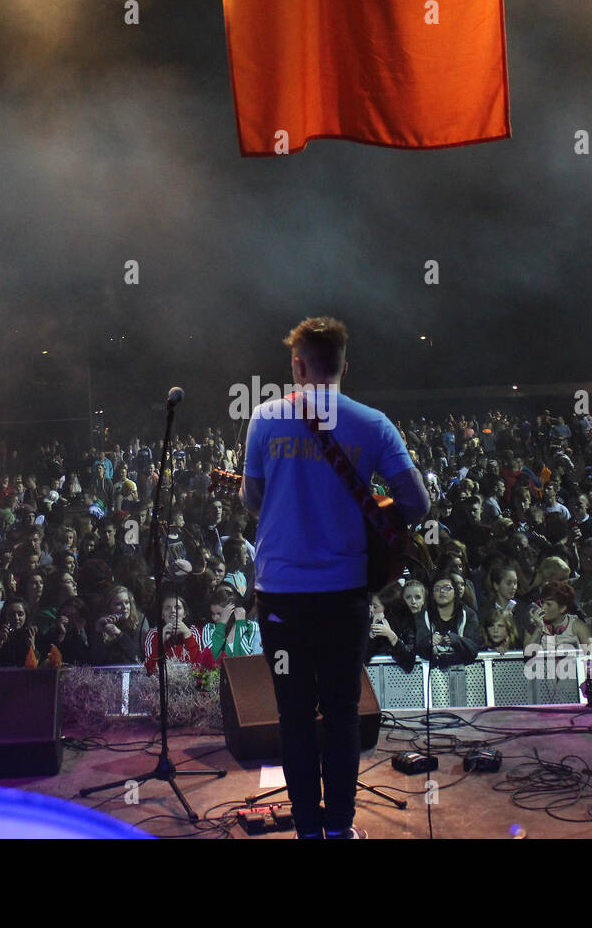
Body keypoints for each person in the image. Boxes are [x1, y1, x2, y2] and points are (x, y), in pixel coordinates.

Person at [241, 316, 430, 840]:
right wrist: (369, 506)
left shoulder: (264, 417)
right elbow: (417, 503)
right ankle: (340, 829)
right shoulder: (372, 423)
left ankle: (306, 831)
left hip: (280, 594)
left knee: (294, 717)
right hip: (344, 594)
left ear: (297, 366)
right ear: (346, 364)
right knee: (343, 714)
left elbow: (252, 499)